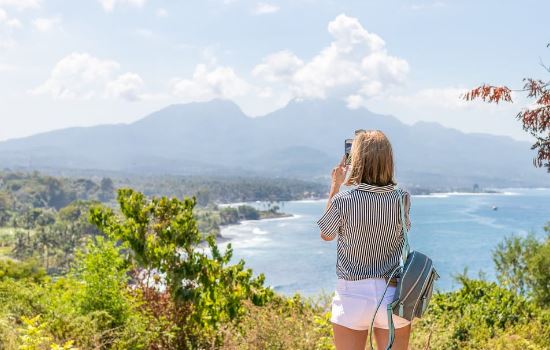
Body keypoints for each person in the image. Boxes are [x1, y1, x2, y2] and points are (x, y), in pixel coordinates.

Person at [317, 130, 412, 350]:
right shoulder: (402, 198)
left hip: (352, 294)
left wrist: (335, 185)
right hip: (392, 292)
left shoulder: (344, 200)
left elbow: (326, 234)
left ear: (356, 160)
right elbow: (404, 230)